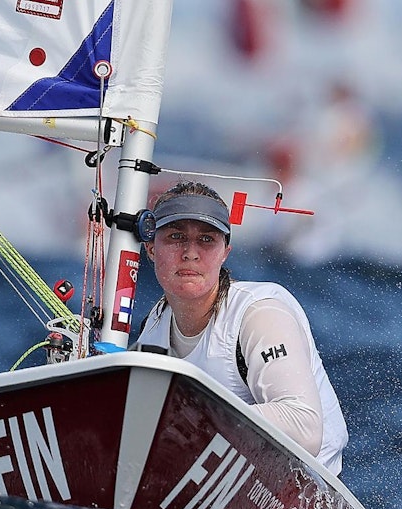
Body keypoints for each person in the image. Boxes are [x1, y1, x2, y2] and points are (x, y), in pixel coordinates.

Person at [133, 180, 348, 476]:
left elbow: (304, 427)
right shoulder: (154, 325)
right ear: (151, 249)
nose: (190, 253)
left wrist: (194, 420)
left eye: (206, 240)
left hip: (308, 495)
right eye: (175, 236)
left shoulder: (259, 314)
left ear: (225, 252)